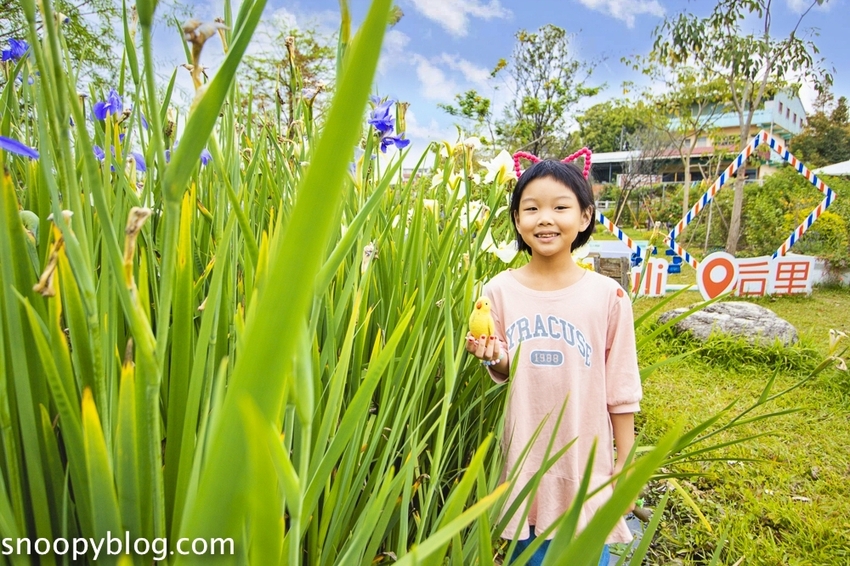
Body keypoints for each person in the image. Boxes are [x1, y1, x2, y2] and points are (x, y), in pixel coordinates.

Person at [466, 159, 642, 566]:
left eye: (560, 207)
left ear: (585, 217)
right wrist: (495, 357)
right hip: (523, 461)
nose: (545, 219)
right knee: (527, 556)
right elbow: (509, 363)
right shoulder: (498, 290)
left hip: (585, 462)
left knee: (584, 554)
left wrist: (626, 464)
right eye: (531, 208)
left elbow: (622, 390)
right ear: (516, 219)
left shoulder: (607, 297)